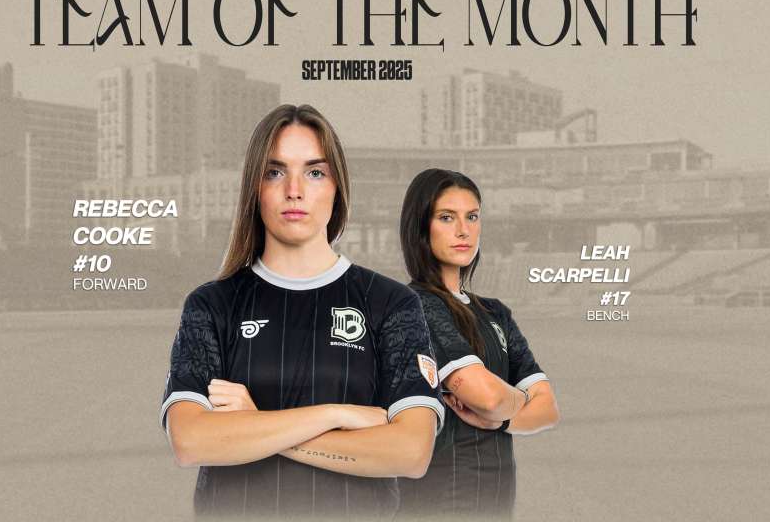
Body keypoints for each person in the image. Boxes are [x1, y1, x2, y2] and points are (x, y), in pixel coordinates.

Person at [161, 104, 444, 521]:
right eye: (274, 172)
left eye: (314, 172)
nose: (294, 189)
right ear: (254, 188)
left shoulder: (390, 304)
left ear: (337, 187)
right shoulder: (212, 306)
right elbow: (191, 442)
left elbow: (410, 452)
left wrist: (257, 425)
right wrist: (335, 414)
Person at [397, 169, 560, 521]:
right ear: (420, 227)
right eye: (446, 217)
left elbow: (548, 410)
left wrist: (500, 421)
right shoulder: (416, 306)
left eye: (472, 217)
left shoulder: (495, 313)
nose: (463, 230)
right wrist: (519, 401)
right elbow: (486, 396)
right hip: (442, 499)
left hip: (495, 499)